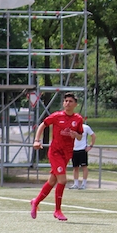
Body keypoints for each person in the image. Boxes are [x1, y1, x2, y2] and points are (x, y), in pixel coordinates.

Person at [30, 92, 85, 221]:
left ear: (75, 104)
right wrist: (37, 140)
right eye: (66, 101)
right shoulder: (57, 116)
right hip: (55, 153)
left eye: (70, 101)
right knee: (62, 180)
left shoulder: (78, 119)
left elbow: (80, 136)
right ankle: (57, 210)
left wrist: (76, 135)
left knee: (52, 181)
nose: (67, 103)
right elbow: (43, 124)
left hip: (67, 154)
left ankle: (35, 201)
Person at [69, 122, 95, 190]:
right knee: (75, 167)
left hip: (82, 150)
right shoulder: (72, 127)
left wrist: (90, 146)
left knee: (84, 167)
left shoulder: (86, 127)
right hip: (74, 150)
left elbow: (93, 136)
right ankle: (76, 184)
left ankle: (84, 184)